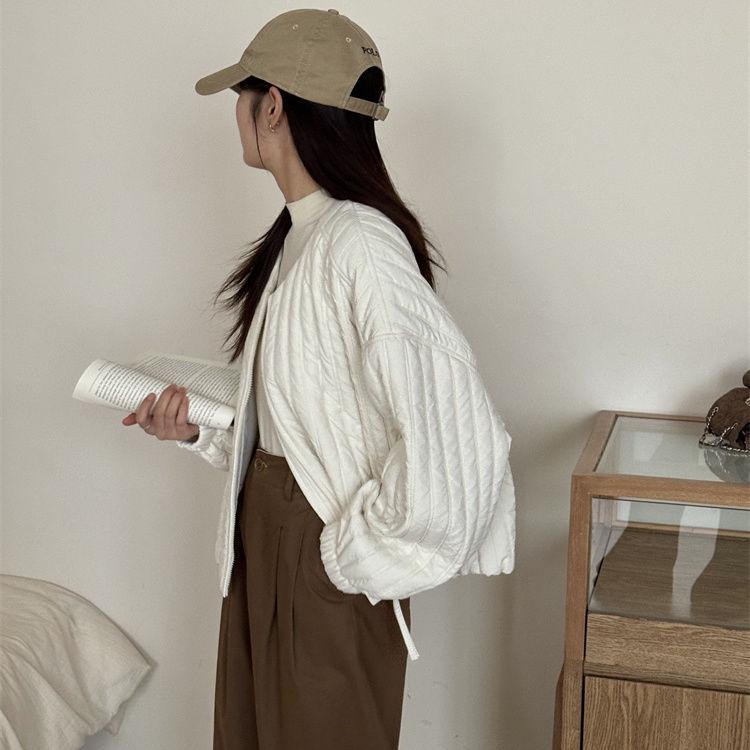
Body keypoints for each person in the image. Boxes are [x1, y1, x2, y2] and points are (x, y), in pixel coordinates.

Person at [121, 8, 516, 749]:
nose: (236, 115)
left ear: (272, 105)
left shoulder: (358, 242)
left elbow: (461, 433)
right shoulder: (303, 237)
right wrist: (199, 427)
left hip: (318, 553)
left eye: (242, 97)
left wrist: (351, 555)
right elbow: (312, 418)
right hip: (267, 538)